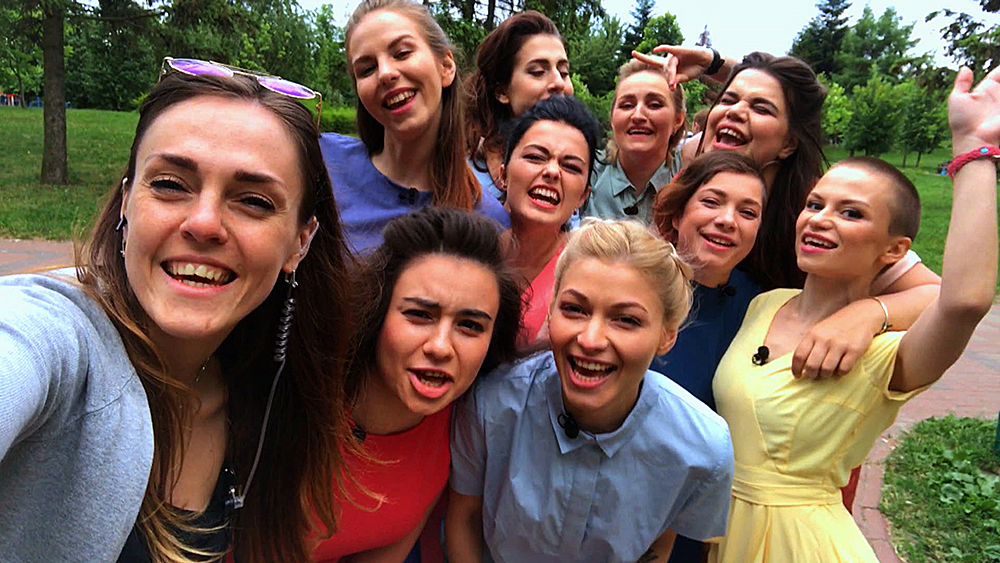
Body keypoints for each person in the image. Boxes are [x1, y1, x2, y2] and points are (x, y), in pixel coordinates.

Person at [0, 64, 354, 562]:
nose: (204, 223)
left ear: (301, 241)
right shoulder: (54, 333)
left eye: (254, 201)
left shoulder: (264, 389)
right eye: (170, 184)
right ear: (127, 203)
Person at [709, 67, 999, 563]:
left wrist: (973, 152)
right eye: (815, 204)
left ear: (895, 250)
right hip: (724, 531)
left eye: (851, 213)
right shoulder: (765, 304)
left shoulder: (882, 355)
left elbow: (964, 301)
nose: (820, 220)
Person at [446, 219, 735, 562]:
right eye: (574, 309)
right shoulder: (492, 404)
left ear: (667, 335)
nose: (591, 340)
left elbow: (659, 543)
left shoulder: (701, 447)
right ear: (551, 311)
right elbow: (464, 519)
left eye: (626, 319)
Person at [312, 208, 521, 562]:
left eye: (470, 325)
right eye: (419, 315)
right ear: (376, 310)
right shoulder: (298, 393)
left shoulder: (460, 430)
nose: (440, 347)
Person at [321, 0, 508, 253]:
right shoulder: (322, 163)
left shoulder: (489, 222)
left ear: (446, 66)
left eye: (402, 53)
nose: (385, 73)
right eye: (366, 69)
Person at [497, 95, 601, 345]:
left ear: (583, 195)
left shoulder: (587, 273)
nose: (552, 172)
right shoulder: (462, 246)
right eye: (535, 157)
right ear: (503, 174)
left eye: (571, 167)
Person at [465, 11, 573, 200]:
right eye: (538, 72)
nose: (558, 83)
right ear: (502, 92)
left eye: (563, 72)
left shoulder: (579, 170)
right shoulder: (465, 181)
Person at [581, 59, 686, 223]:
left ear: (678, 120)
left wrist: (710, 64)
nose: (638, 116)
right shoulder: (586, 170)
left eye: (654, 105)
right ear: (612, 118)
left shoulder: (690, 180)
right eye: (627, 105)